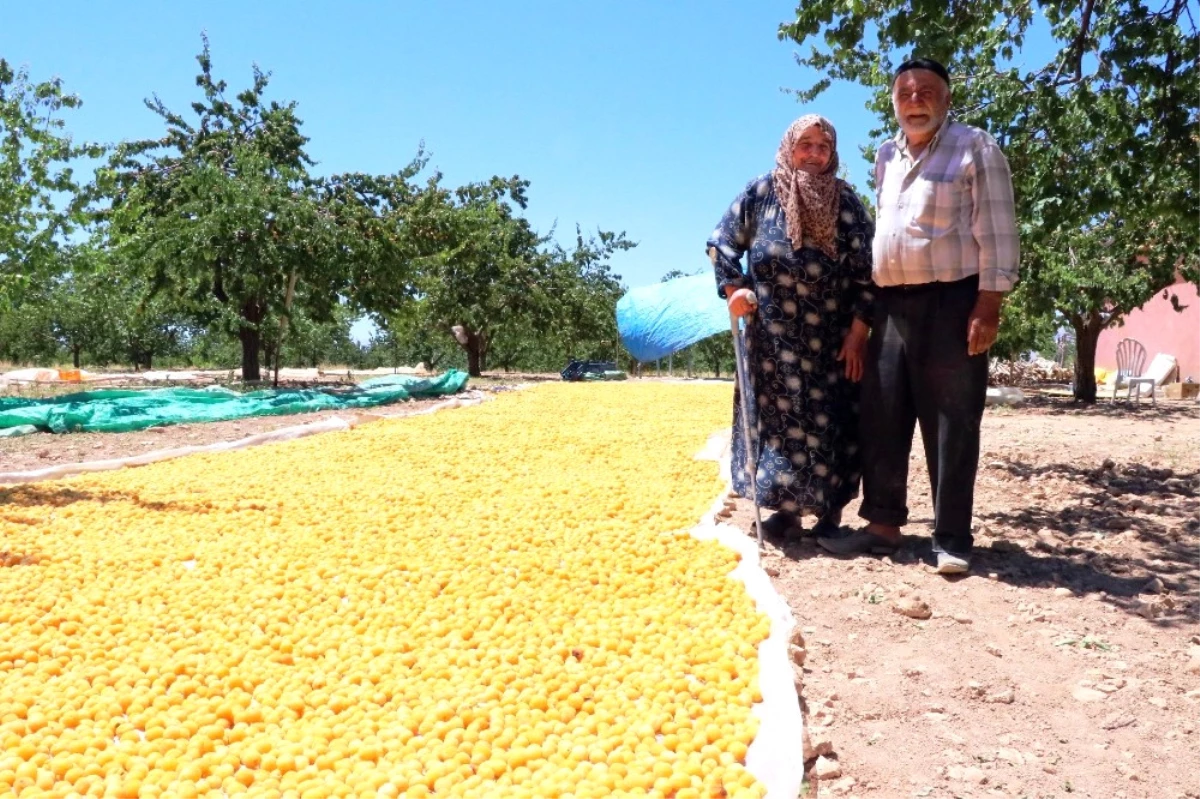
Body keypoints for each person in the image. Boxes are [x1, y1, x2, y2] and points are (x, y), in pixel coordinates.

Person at [817, 58, 1019, 574]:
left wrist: (989, 302)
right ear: (894, 101)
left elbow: (997, 230)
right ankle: (882, 527)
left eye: (927, 91)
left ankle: (951, 537)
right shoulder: (886, 155)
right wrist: (864, 321)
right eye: (905, 92)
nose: (915, 100)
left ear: (946, 99)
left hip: (952, 302)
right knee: (881, 413)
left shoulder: (976, 147)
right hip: (889, 304)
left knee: (951, 421)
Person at [707, 115, 876, 540]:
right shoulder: (761, 193)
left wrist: (859, 333)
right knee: (779, 426)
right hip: (771, 340)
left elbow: (869, 271)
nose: (814, 154)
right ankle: (785, 510)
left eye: (823, 146)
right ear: (789, 147)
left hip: (831, 341)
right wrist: (735, 290)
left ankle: (829, 514)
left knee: (831, 421)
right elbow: (722, 242)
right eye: (806, 144)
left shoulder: (848, 204)